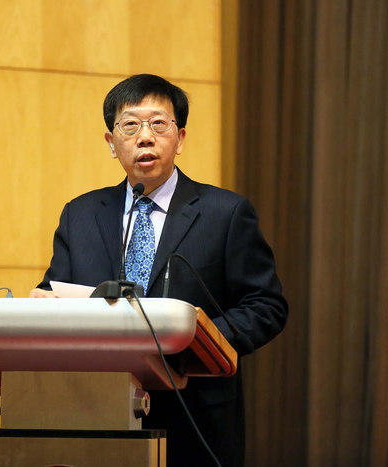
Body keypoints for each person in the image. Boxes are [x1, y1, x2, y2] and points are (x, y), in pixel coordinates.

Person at [30, 74, 288, 467]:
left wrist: (198, 342)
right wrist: (42, 303)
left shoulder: (225, 213)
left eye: (158, 124)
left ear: (180, 138)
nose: (145, 137)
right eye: (130, 125)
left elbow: (266, 305)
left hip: (194, 415)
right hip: (95, 411)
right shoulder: (80, 214)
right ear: (111, 143)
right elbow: (56, 290)